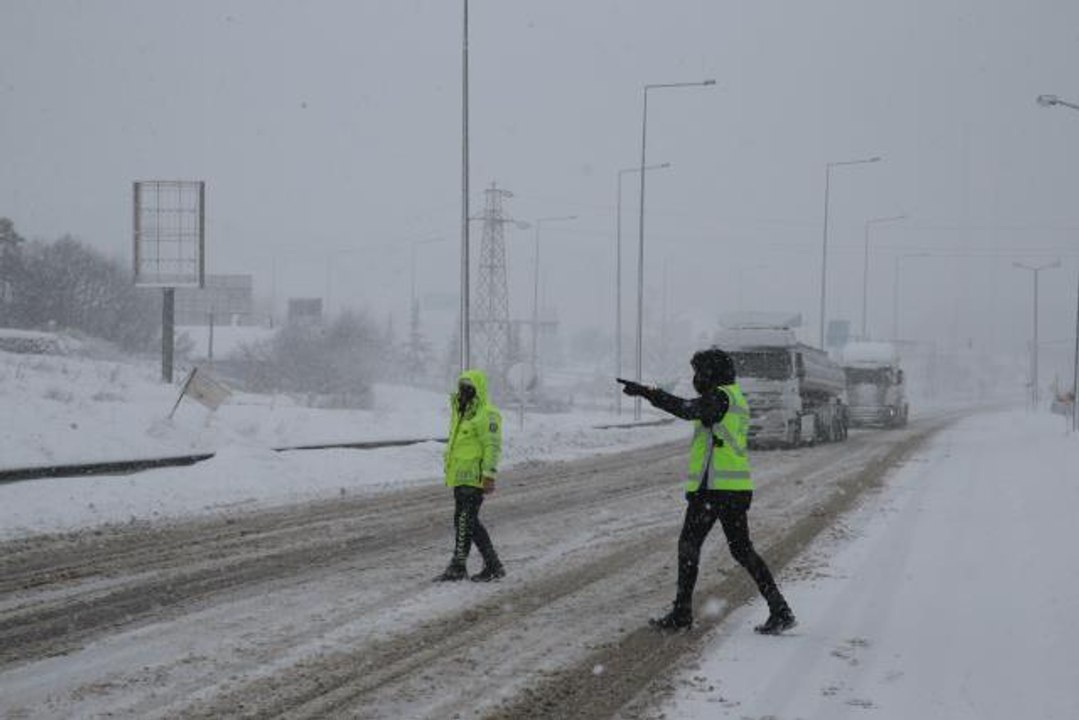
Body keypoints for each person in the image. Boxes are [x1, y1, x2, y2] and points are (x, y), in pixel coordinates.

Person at [618, 347, 796, 634]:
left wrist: (649, 393)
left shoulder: (721, 397)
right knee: (741, 550)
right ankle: (780, 609)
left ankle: (681, 614)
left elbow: (688, 410)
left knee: (689, 547)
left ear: (711, 373)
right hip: (733, 489)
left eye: (698, 372)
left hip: (715, 491)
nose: (696, 378)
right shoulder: (734, 396)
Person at [436, 369, 506, 583]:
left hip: (476, 478)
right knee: (465, 521)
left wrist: (489, 475)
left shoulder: (487, 413)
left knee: (467, 520)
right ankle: (491, 565)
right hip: (460, 477)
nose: (464, 391)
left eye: (469, 387)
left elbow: (492, 446)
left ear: (478, 389)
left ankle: (463, 565)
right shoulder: (461, 413)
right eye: (461, 386)